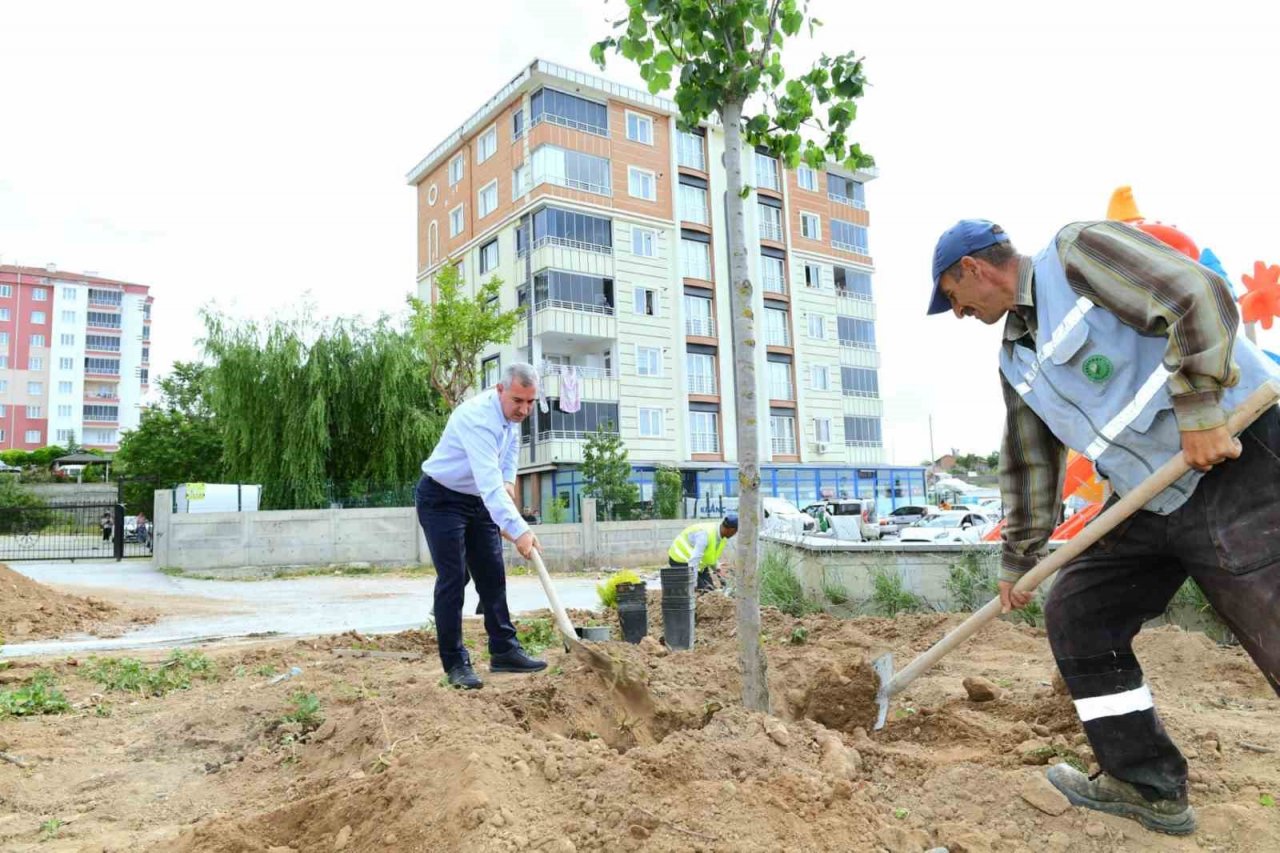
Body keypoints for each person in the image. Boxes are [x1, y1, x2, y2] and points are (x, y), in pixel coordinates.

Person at [927, 218, 1280, 836]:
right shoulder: (1015, 356)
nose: (958, 313)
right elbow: (1030, 460)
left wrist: (1199, 407)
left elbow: (1195, 293)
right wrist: (1020, 560)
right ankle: (1146, 783)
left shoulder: (1076, 254)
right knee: (1080, 613)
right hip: (1149, 497)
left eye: (953, 299)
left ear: (972, 269)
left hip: (1234, 460)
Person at [416, 362, 546, 690]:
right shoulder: (476, 418)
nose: (524, 409)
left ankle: (504, 650)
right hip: (442, 499)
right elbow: (488, 484)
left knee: (491, 575)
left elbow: (508, 457)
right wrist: (519, 530)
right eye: (518, 400)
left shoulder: (510, 417)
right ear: (500, 390)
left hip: (478, 500)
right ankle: (456, 662)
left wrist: (509, 483)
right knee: (453, 578)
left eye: (530, 402)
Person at [667, 515, 738, 592]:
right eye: (735, 531)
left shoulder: (721, 536)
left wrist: (717, 568)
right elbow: (694, 560)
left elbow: (710, 555)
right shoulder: (705, 535)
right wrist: (694, 584)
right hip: (680, 560)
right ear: (731, 529)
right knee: (703, 591)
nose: (735, 534)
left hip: (698, 564)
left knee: (711, 590)